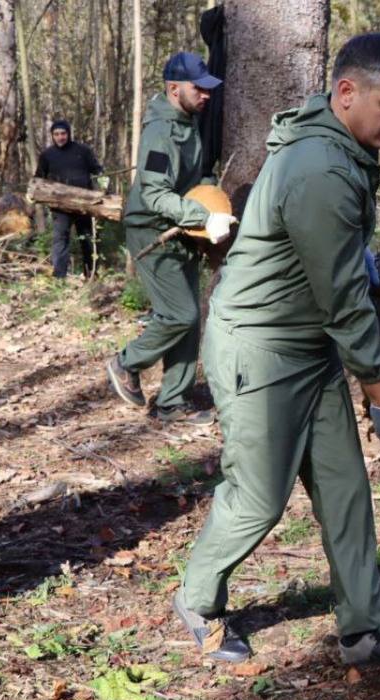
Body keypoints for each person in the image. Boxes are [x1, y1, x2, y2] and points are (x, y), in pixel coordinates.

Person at [172, 33, 380, 665]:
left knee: (344, 488)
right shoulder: (321, 167)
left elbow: (333, 264)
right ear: (347, 93)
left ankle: (362, 630)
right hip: (261, 348)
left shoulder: (339, 148)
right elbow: (344, 301)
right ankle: (199, 598)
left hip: (307, 343)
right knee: (259, 496)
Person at [104, 52, 236, 425]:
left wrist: (212, 198)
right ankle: (125, 362)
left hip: (181, 232)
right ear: (174, 88)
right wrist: (202, 216)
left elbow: (191, 179)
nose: (207, 95)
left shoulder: (187, 119)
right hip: (152, 230)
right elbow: (155, 195)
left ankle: (172, 403)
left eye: (208, 88)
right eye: (200, 88)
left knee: (190, 321)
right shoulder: (160, 132)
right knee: (180, 313)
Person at [35, 119, 103, 278]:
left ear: (69, 134)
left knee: (88, 239)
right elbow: (39, 178)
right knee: (60, 240)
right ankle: (59, 277)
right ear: (52, 136)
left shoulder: (83, 151)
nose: (60, 137)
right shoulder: (47, 155)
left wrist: (103, 185)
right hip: (60, 206)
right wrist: (34, 193)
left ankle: (91, 274)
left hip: (85, 204)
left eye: (63, 133)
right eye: (56, 134)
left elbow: (97, 170)